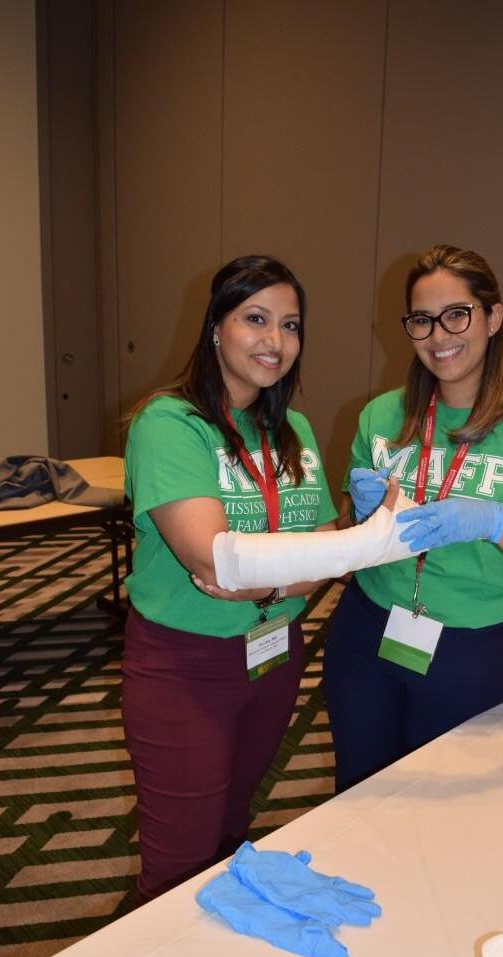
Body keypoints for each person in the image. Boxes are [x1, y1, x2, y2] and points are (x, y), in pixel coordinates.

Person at [323, 244, 503, 792]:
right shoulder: (381, 416)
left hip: (471, 649)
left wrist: (497, 522)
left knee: (444, 807)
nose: (439, 336)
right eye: (422, 320)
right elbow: (346, 532)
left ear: (493, 317)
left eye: (457, 314)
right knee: (356, 797)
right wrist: (358, 516)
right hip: (368, 629)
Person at [122, 254, 338, 901]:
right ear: (216, 327)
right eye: (255, 319)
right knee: (176, 863)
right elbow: (214, 561)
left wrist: (265, 583)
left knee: (230, 828)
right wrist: (297, 567)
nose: (276, 340)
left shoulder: (293, 428)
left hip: (274, 652)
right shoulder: (169, 423)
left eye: (290, 325)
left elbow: (328, 544)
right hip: (186, 663)